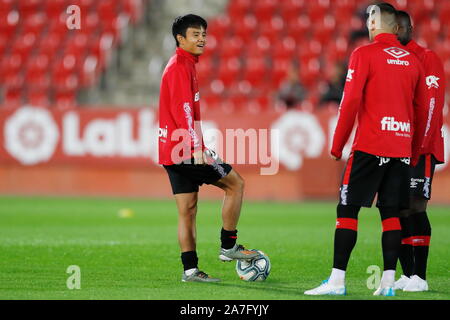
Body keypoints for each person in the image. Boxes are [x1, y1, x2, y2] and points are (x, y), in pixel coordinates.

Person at [304, 3, 428, 296]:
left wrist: (337, 144)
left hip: (369, 146)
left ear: (374, 23)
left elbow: (349, 102)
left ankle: (337, 281)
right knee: (391, 215)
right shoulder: (413, 61)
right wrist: (412, 147)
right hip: (399, 147)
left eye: (370, 18)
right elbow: (421, 110)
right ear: (396, 26)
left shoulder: (363, 54)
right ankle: (387, 284)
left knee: (347, 210)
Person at [158, 14, 260, 283]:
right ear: (181, 39)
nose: (202, 38)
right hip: (184, 149)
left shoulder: (183, 64)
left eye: (203, 33)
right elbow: (184, 111)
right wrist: (196, 147)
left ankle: (190, 270)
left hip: (171, 148)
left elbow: (184, 112)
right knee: (235, 184)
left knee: (188, 209)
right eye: (195, 34)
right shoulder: (180, 66)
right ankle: (229, 246)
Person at [394, 10, 446, 292]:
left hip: (419, 147)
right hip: (395, 144)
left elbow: (432, 105)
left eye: (404, 26)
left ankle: (421, 277)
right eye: (396, 26)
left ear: (410, 28)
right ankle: (408, 274)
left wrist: (421, 145)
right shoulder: (392, 60)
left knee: (415, 205)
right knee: (396, 207)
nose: (401, 30)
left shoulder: (427, 58)